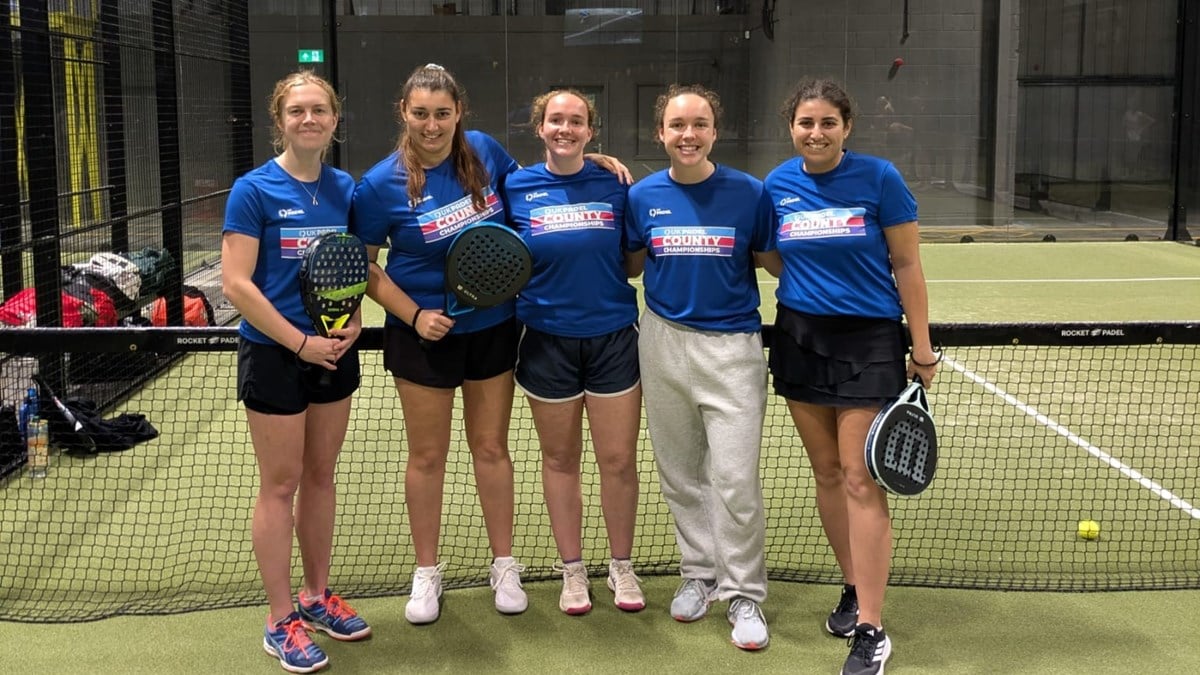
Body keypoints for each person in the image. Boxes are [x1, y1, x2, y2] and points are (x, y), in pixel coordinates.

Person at [351, 65, 631, 625]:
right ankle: (427, 572)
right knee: (428, 456)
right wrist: (412, 313)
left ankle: (504, 564)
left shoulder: (482, 153)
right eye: (421, 113)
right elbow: (366, 263)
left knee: (491, 449)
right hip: (422, 335)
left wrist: (591, 166)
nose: (432, 125)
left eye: (443, 113)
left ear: (460, 114)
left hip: (494, 329)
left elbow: (538, 181)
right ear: (403, 113)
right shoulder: (380, 183)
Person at [760, 77, 938, 675]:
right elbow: (769, 254)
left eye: (827, 123)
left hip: (869, 342)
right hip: (799, 338)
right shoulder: (777, 185)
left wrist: (922, 349)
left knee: (862, 480)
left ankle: (872, 628)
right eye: (806, 123)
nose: (816, 133)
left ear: (846, 127)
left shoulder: (879, 178)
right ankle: (854, 585)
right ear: (792, 128)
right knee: (828, 474)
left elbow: (908, 263)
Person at [222, 70, 370, 674]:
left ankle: (315, 596)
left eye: (319, 111)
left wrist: (354, 318)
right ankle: (280, 618)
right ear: (278, 119)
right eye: (296, 111)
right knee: (279, 485)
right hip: (277, 353)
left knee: (321, 474)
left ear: (335, 120)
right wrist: (300, 343)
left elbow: (355, 262)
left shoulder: (345, 188)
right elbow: (237, 284)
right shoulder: (253, 189)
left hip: (334, 350)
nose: (309, 120)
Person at [624, 84, 775, 650]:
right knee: (681, 474)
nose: (688, 135)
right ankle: (699, 575)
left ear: (715, 131)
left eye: (700, 124)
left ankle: (743, 594)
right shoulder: (641, 197)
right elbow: (635, 266)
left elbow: (770, 260)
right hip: (661, 342)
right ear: (660, 132)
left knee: (734, 479)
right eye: (677, 125)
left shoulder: (750, 193)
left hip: (733, 349)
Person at [502, 89, 643, 616]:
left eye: (576, 121)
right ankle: (573, 571)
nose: (565, 128)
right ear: (539, 127)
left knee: (617, 460)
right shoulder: (513, 186)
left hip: (612, 339)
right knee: (560, 459)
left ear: (591, 130)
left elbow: (632, 264)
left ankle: (622, 568)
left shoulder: (615, 183)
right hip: (545, 341)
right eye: (555, 120)